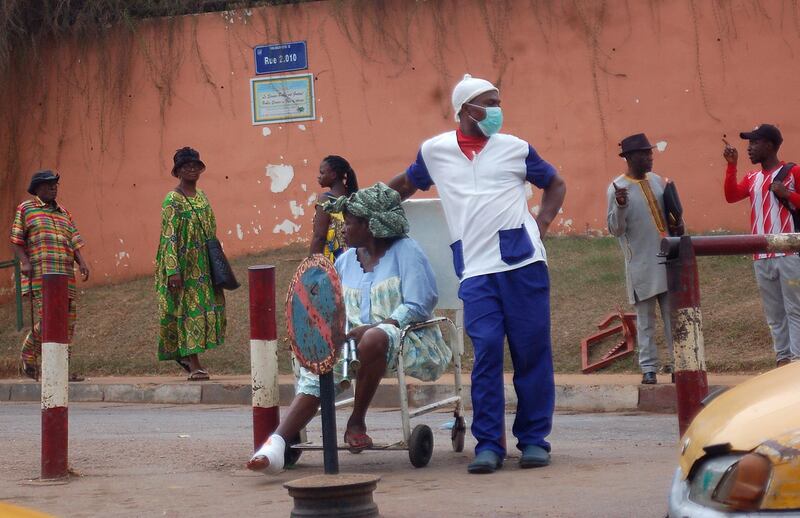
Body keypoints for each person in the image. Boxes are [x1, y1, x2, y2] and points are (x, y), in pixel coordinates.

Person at [387, 74, 567, 474]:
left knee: (531, 353)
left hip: (523, 264)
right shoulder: (435, 151)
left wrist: (544, 222)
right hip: (476, 270)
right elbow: (404, 184)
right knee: (486, 354)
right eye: (489, 103)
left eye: (498, 102)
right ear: (466, 109)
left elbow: (554, 182)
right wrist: (367, 204)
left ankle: (535, 440)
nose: (497, 111)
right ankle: (489, 445)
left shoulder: (515, 148)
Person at [247, 183, 451, 473]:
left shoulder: (406, 252)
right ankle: (278, 442)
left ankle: (356, 420)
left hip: (408, 336)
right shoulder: (344, 261)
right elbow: (334, 309)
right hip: (352, 342)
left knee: (373, 337)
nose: (342, 230)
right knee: (323, 360)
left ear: (371, 226)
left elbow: (419, 303)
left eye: (349, 224)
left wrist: (376, 325)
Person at [607, 133, 682, 385]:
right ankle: (648, 368)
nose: (650, 157)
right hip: (640, 263)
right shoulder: (617, 188)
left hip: (667, 259)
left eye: (650, 153)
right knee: (646, 321)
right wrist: (619, 205)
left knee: (673, 318)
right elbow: (615, 230)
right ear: (629, 158)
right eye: (644, 154)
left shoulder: (657, 180)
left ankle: (677, 364)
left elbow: (670, 217)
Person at [723, 124, 800, 366]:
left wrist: (788, 195)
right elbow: (731, 195)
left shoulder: (793, 172)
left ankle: (797, 359)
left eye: (754, 143)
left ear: (770, 145)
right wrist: (731, 165)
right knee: (774, 313)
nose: (749, 148)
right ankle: (783, 358)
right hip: (761, 256)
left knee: (795, 309)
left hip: (789, 253)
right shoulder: (752, 178)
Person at [11, 170, 90, 381]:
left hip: (65, 277)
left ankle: (61, 370)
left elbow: (73, 240)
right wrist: (25, 262)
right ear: (36, 189)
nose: (53, 187)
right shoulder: (27, 208)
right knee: (49, 321)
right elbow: (17, 240)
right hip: (40, 276)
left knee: (67, 324)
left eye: (55, 184)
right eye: (48, 185)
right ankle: (29, 356)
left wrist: (81, 262)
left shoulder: (64, 212)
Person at [155, 147, 226, 380]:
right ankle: (194, 363)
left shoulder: (202, 196)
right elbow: (169, 236)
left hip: (203, 266)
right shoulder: (172, 200)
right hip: (183, 267)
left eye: (195, 165)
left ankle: (186, 355)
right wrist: (173, 270)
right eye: (186, 166)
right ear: (178, 171)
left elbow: (211, 228)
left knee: (203, 310)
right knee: (188, 312)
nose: (192, 169)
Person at [309, 155, 359, 261]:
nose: (319, 176)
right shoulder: (354, 197)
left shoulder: (326, 200)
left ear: (333, 175)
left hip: (334, 260)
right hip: (354, 258)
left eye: (322, 173)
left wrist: (312, 264)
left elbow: (319, 236)